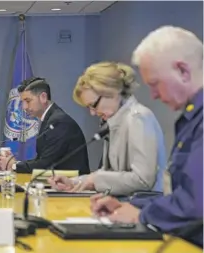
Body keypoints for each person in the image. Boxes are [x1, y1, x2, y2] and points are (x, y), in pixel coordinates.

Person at [91, 26, 203, 247]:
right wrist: (137, 206)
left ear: (183, 70)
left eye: (155, 84)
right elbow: (181, 193)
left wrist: (141, 215)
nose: (153, 95)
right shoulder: (191, 117)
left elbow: (197, 204)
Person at [48, 62, 166, 196]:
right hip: (119, 204)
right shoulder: (115, 121)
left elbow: (143, 180)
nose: (92, 113)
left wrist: (96, 180)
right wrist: (74, 182)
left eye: (93, 105)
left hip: (142, 208)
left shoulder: (138, 118)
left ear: (112, 93)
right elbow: (108, 174)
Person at [0, 77, 90, 174]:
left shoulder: (59, 122)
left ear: (43, 97)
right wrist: (13, 163)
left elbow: (45, 165)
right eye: (22, 102)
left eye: (28, 101)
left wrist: (14, 165)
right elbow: (42, 160)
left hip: (71, 186)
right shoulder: (51, 119)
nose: (24, 107)